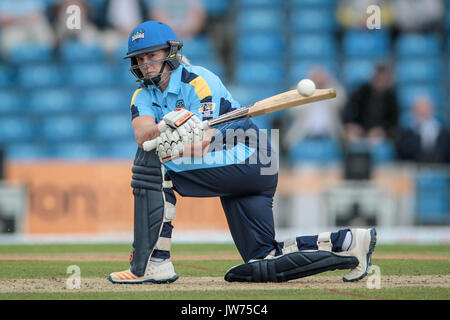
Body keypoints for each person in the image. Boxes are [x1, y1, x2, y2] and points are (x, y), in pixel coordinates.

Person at [108, 21, 377, 284]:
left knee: (156, 166)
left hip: (251, 154)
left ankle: (156, 262)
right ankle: (350, 242)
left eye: (151, 56)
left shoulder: (199, 81)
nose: (145, 64)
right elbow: (142, 135)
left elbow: (203, 144)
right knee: (263, 256)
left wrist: (173, 142)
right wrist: (163, 127)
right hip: (237, 166)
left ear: (171, 53)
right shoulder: (142, 95)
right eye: (139, 58)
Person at [342, 64, 399, 147]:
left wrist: (382, 130)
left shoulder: (391, 97)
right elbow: (349, 111)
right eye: (378, 78)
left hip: (380, 133)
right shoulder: (362, 92)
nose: (381, 82)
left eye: (384, 79)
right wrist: (352, 125)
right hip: (360, 130)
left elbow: (393, 121)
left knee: (376, 140)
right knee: (351, 138)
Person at [396, 96, 450, 164]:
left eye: (426, 108)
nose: (423, 111)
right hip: (415, 166)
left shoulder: (443, 131)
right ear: (414, 111)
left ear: (432, 109)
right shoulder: (407, 132)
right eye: (419, 109)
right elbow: (403, 153)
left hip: (440, 166)